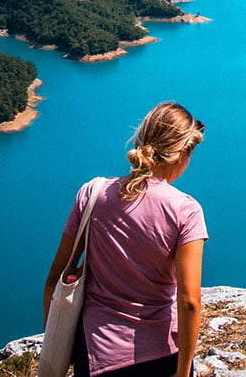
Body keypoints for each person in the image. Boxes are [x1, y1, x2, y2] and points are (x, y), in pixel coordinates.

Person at [43, 102, 207, 377]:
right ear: (182, 154)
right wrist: (183, 371)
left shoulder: (92, 194)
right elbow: (189, 301)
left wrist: (55, 344)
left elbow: (54, 280)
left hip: (94, 352)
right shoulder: (186, 210)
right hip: (159, 354)